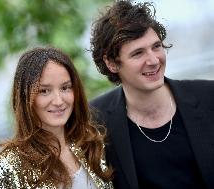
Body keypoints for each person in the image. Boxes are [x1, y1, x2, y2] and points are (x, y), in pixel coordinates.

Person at [89, 1, 214, 189]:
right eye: (138, 53)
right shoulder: (95, 120)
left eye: (156, 46)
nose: (154, 60)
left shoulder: (209, 96)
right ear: (111, 63)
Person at [0, 47, 113, 189]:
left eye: (65, 88)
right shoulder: (5, 170)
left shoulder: (90, 142)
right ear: (25, 97)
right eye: (44, 91)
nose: (58, 101)